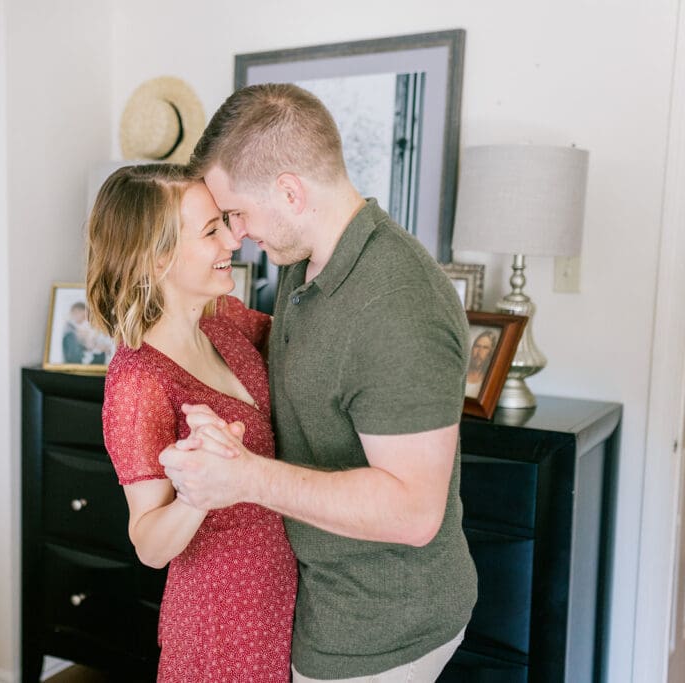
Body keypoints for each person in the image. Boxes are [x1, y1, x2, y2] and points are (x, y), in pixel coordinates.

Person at [160, 83, 477, 682]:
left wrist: (245, 476)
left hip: (382, 625)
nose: (235, 234)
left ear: (289, 191)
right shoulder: (305, 262)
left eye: (236, 214)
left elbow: (413, 512)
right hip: (325, 599)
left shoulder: (398, 304)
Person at [85, 163, 297, 682]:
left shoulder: (223, 318)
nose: (233, 239)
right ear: (156, 257)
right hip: (222, 622)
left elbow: (302, 345)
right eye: (211, 231)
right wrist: (197, 491)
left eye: (224, 221)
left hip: (284, 596)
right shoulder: (139, 382)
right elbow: (150, 545)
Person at [465, 328, 499, 398]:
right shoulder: (460, 374)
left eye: (485, 348)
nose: (479, 352)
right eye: (477, 346)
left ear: (490, 352)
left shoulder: (490, 380)